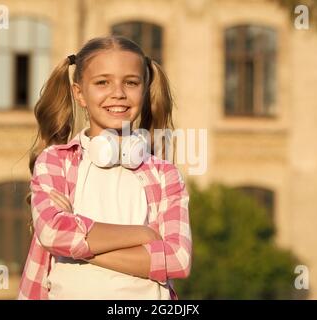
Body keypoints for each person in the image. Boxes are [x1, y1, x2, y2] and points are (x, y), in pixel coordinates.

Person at [18, 35, 192, 300]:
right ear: (80, 94)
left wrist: (75, 240)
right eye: (102, 82)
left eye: (131, 83)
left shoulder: (164, 174)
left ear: (144, 91)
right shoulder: (56, 162)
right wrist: (144, 234)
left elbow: (178, 259)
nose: (118, 93)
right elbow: (52, 232)